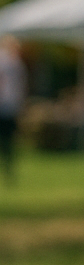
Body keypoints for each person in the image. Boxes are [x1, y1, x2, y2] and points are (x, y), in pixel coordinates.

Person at [0, 35, 26, 183]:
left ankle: (8, 170)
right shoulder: (8, 62)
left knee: (8, 141)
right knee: (8, 141)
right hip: (7, 105)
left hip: (9, 107)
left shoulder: (15, 63)